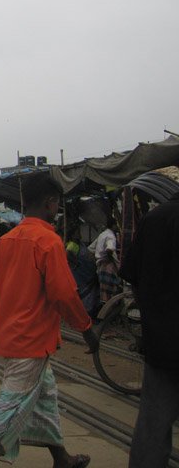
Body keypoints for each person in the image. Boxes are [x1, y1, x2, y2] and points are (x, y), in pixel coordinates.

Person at [0, 173, 98, 468]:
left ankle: (61, 458)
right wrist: (86, 328)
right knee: (8, 407)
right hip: (33, 340)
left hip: (12, 336)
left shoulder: (6, 242)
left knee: (46, 396)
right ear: (51, 203)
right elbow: (64, 294)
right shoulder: (49, 242)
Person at [119, 191, 179, 468]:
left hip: (162, 340)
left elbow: (130, 273)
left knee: (155, 418)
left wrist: (150, 314)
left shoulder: (155, 219)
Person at [89, 216, 121, 303]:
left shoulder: (102, 234)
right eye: (117, 225)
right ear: (113, 225)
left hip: (100, 267)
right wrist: (111, 261)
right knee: (110, 298)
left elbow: (91, 249)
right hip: (108, 267)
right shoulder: (111, 236)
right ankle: (107, 315)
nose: (118, 227)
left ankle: (103, 313)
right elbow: (109, 249)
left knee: (104, 297)